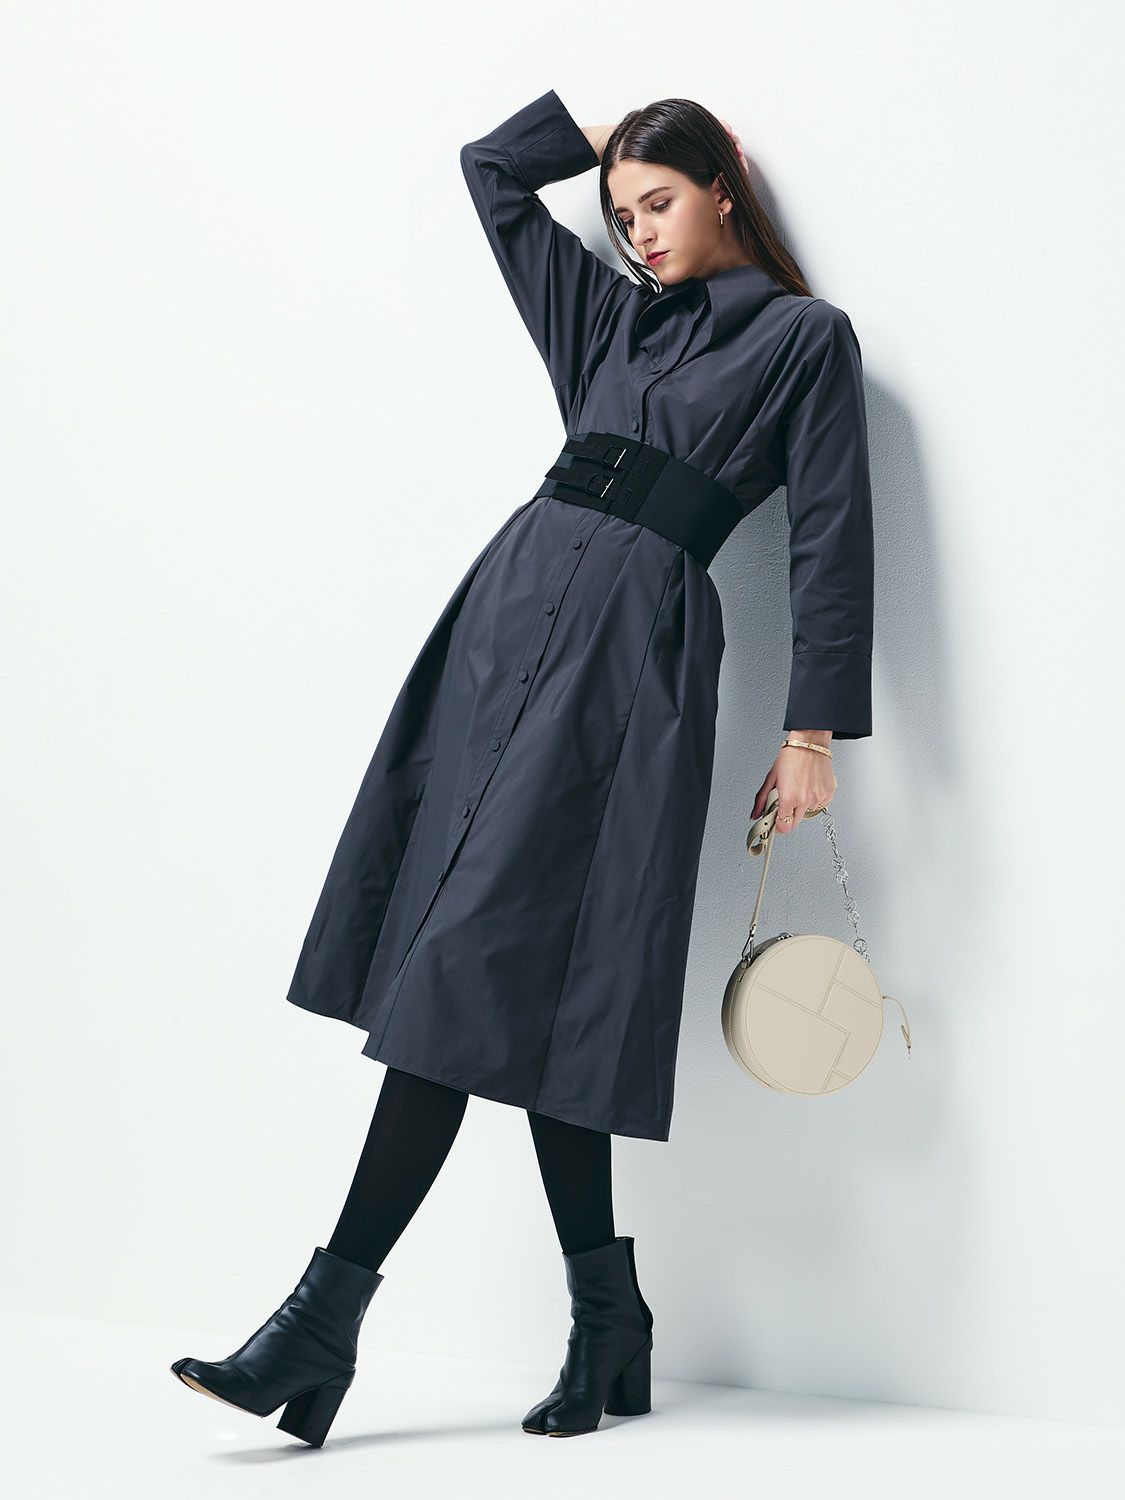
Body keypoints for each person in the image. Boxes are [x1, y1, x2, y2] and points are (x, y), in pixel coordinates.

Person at [170, 88, 874, 1445]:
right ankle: (608, 1318)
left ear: (724, 185)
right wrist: (596, 141)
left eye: (660, 200)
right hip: (502, 634)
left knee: (473, 965)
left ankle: (323, 1319)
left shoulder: (802, 340)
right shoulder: (606, 318)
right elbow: (491, 172)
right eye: (621, 214)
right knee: (530, 982)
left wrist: (809, 735)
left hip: (631, 666)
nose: (638, 232)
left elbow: (831, 541)